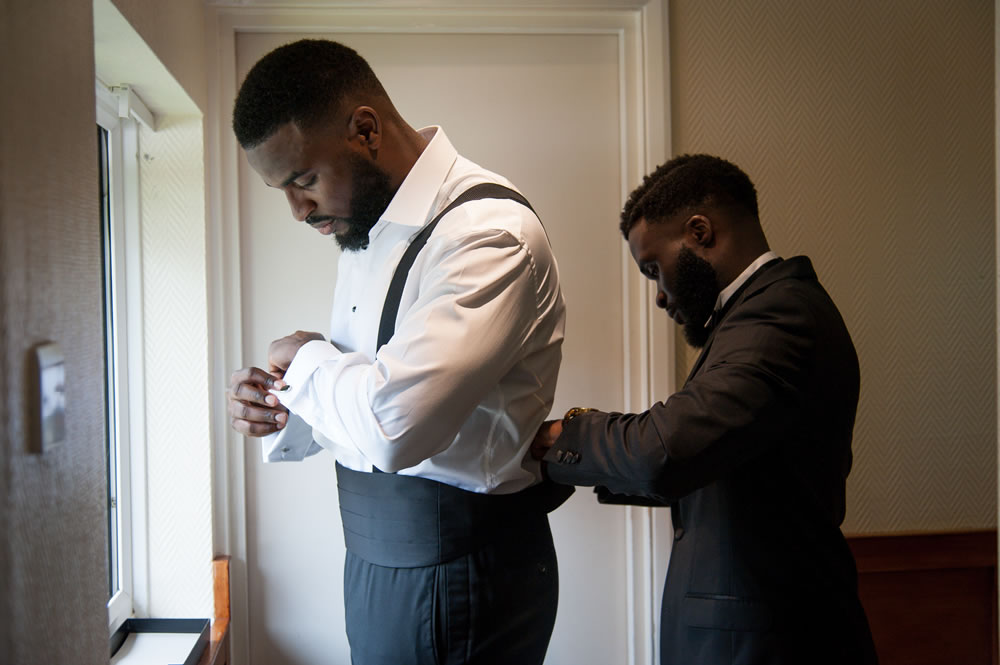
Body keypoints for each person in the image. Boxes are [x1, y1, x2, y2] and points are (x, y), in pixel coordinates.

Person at [227, 39, 570, 665]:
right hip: (378, 563)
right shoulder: (367, 220)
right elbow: (374, 383)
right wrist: (286, 402)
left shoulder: (486, 235)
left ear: (364, 130)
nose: (297, 210)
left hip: (458, 576)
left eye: (303, 180)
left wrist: (307, 360)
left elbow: (392, 427)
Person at [532, 154, 878, 664]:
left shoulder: (781, 316)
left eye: (654, 268)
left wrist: (565, 433)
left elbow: (666, 450)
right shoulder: (757, 315)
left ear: (699, 231)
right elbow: (717, 469)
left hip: (773, 645)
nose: (658, 295)